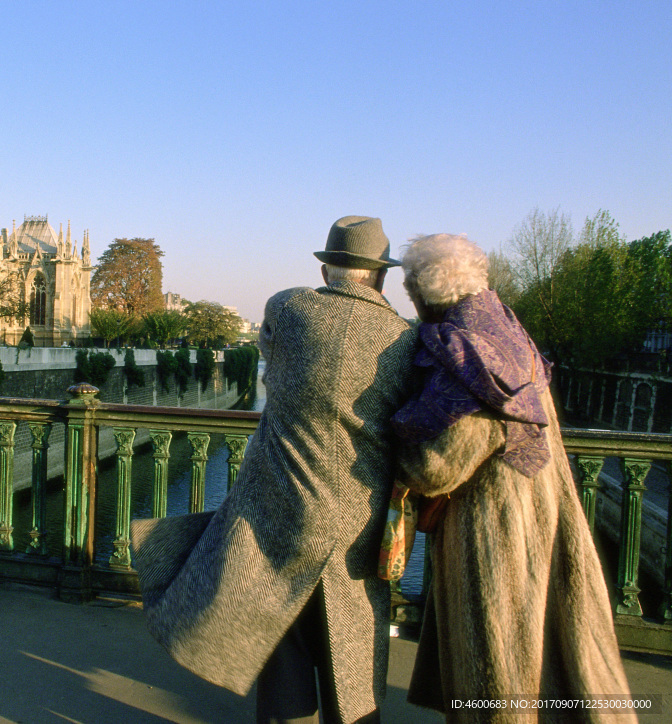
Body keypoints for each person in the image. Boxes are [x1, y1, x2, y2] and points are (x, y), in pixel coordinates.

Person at [131, 216, 417, 723]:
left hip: (279, 505)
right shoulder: (402, 339)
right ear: (380, 275)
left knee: (279, 640)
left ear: (328, 267)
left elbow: (271, 359)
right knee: (350, 656)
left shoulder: (287, 307)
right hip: (356, 520)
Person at [392, 234, 636, 722]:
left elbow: (440, 464)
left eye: (410, 288)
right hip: (541, 509)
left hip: (496, 529)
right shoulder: (509, 332)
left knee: (499, 661)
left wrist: (399, 459)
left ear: (425, 292)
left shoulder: (466, 353)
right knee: (550, 650)